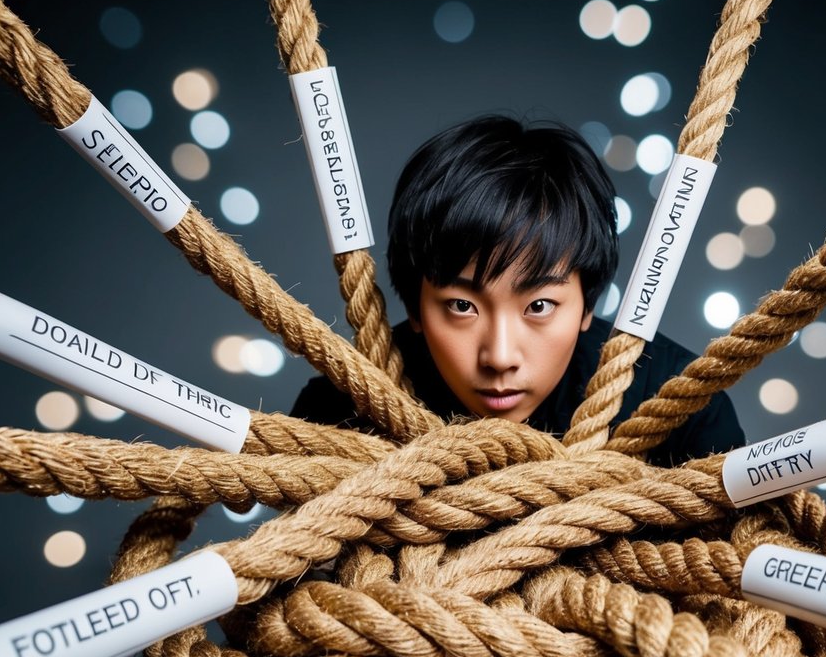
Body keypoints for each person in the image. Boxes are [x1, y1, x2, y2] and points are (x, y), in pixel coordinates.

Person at [291, 115, 743, 466]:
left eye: (540, 305)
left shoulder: (682, 406)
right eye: (462, 306)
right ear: (415, 307)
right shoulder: (339, 408)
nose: (500, 357)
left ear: (587, 304)